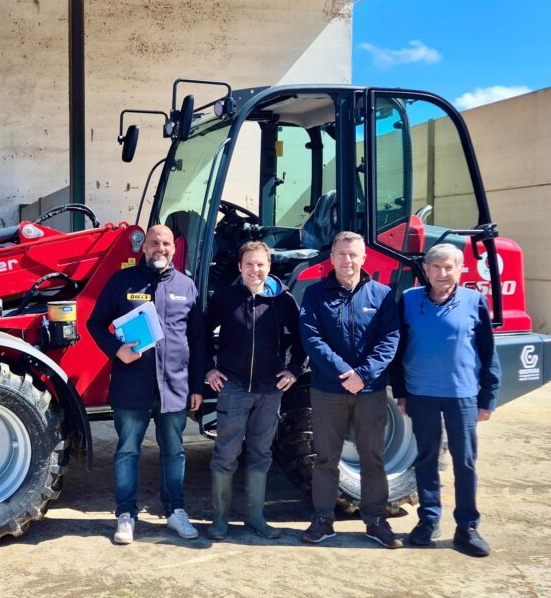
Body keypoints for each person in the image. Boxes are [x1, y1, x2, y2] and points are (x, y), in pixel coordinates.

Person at [87, 224, 205, 545]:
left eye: (166, 243)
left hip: (174, 389)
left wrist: (197, 387)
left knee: (174, 452)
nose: (160, 248)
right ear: (143, 247)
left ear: (173, 248)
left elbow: (197, 340)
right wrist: (116, 350)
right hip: (132, 387)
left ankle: (175, 511)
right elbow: (94, 322)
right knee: (127, 452)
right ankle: (126, 514)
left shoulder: (186, 286)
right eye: (154, 243)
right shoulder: (123, 281)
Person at [391, 243, 501, 556]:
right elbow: (398, 351)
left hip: (462, 395)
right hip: (421, 393)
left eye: (448, 267)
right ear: (425, 270)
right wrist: (400, 391)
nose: (442, 273)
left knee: (464, 462)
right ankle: (428, 519)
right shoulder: (410, 300)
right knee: (426, 459)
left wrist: (487, 397)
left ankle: (467, 527)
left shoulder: (474, 301)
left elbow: (487, 352)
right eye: (436, 267)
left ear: (460, 269)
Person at [298, 231, 401, 548]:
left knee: (373, 457)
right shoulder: (315, 295)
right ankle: (323, 519)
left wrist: (364, 374)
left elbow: (390, 339)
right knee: (326, 457)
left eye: (353, 254)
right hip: (328, 390)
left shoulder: (382, 295)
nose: (347, 260)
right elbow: (312, 339)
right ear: (331, 258)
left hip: (369, 392)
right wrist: (345, 372)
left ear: (364, 258)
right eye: (341, 254)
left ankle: (375, 519)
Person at [203, 241, 305, 540]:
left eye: (260, 264)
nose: (255, 270)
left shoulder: (283, 301)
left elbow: (302, 338)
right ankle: (220, 519)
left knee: (260, 453)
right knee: (226, 453)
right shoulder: (225, 298)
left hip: (270, 390)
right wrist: (209, 368)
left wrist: (295, 369)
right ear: (240, 267)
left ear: (269, 267)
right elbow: (201, 334)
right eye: (249, 264)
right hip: (233, 388)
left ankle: (256, 518)